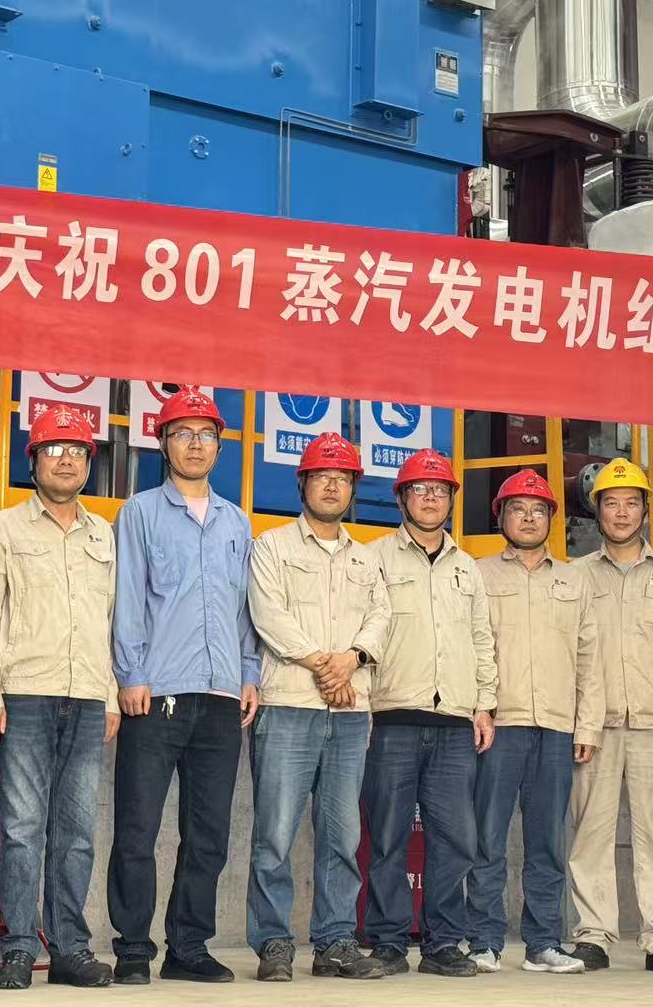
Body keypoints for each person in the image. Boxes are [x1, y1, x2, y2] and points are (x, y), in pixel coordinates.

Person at [0, 407, 121, 991]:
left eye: (78, 451)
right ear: (32, 461)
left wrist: (109, 695)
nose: (67, 460)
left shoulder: (102, 534)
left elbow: (109, 621)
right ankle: (18, 947)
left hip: (87, 698)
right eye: (54, 449)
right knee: (22, 827)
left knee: (77, 832)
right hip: (26, 695)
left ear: (89, 465)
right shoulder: (4, 528)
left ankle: (70, 949)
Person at [108, 390, 259, 986]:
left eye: (206, 434)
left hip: (221, 698)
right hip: (157, 694)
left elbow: (245, 609)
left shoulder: (236, 521)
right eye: (182, 433)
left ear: (219, 446)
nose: (195, 444)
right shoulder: (140, 513)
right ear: (163, 444)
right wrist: (131, 674)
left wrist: (249, 673)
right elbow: (128, 599)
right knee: (137, 828)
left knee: (209, 834)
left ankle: (188, 947)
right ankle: (132, 947)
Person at [245, 432, 388, 983]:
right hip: (288, 705)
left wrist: (351, 659)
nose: (332, 485)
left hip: (350, 715)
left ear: (353, 489)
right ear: (302, 483)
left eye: (343, 477)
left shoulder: (367, 559)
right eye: (323, 476)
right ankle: (273, 942)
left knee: (342, 835)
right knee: (275, 834)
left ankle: (335, 942)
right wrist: (325, 666)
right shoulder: (272, 547)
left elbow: (381, 618)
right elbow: (269, 614)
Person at [566, 459, 653, 975]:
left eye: (631, 503)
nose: (621, 513)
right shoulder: (576, 575)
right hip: (594, 728)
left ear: (646, 511)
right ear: (596, 510)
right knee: (590, 834)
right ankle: (592, 935)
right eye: (611, 503)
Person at [362, 449, 497, 978]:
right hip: (392, 718)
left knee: (456, 840)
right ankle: (389, 941)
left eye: (440, 490)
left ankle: (443, 943)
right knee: (387, 838)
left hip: (456, 725)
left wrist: (484, 705)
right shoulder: (375, 559)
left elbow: (482, 640)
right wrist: (364, 707)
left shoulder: (468, 569)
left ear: (451, 501)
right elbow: (362, 634)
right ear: (401, 499)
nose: (431, 498)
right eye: (420, 489)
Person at [467, 470, 600, 975]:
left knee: (547, 842)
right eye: (518, 509)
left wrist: (587, 726)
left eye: (538, 509)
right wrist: (478, 709)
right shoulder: (478, 575)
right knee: (487, 838)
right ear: (500, 517)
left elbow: (589, 658)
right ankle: (484, 941)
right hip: (499, 726)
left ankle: (544, 943)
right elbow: (470, 648)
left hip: (557, 727)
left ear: (551, 519)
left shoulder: (574, 580)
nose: (528, 518)